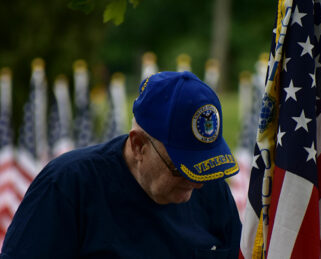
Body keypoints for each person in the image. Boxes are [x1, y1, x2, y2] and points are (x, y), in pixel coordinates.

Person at [1, 71, 241, 259]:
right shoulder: (68, 186)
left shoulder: (213, 191)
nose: (197, 183)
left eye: (204, 167)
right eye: (181, 168)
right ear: (138, 145)